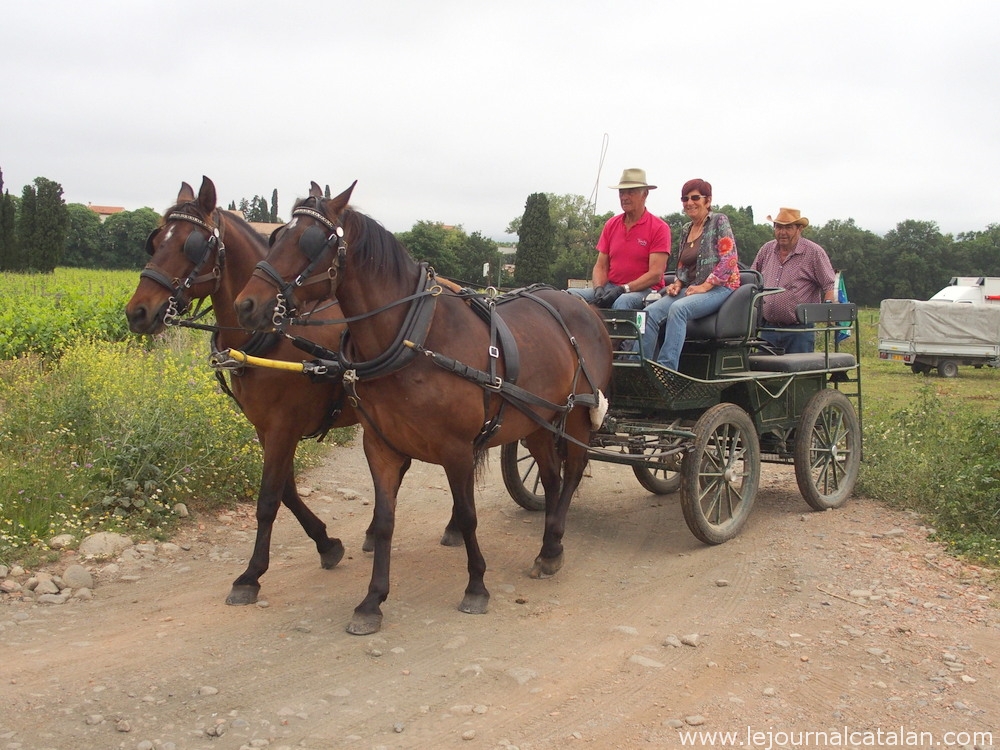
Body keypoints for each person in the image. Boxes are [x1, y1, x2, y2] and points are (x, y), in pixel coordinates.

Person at [640, 179, 740, 370]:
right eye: (685, 198)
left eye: (695, 197)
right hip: (692, 288)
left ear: (707, 201)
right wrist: (677, 282)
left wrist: (706, 285)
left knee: (679, 309)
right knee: (649, 313)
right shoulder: (686, 229)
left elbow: (729, 259)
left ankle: (666, 371)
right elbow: (683, 264)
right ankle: (642, 367)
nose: (689, 202)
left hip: (720, 287)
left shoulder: (719, 221)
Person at [568, 168, 671, 310]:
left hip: (645, 291)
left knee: (623, 302)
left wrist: (623, 289)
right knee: (569, 297)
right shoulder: (611, 224)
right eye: (622, 192)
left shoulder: (659, 227)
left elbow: (655, 274)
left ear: (645, 194)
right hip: (611, 287)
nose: (625, 197)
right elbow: (601, 266)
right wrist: (599, 288)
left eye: (631, 192)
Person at [751, 207, 837, 354]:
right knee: (764, 374)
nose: (782, 232)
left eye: (788, 227)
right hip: (768, 329)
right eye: (779, 227)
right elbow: (753, 278)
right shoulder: (767, 249)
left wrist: (829, 313)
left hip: (799, 331)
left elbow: (828, 285)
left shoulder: (813, 252)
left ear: (799, 229)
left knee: (798, 375)